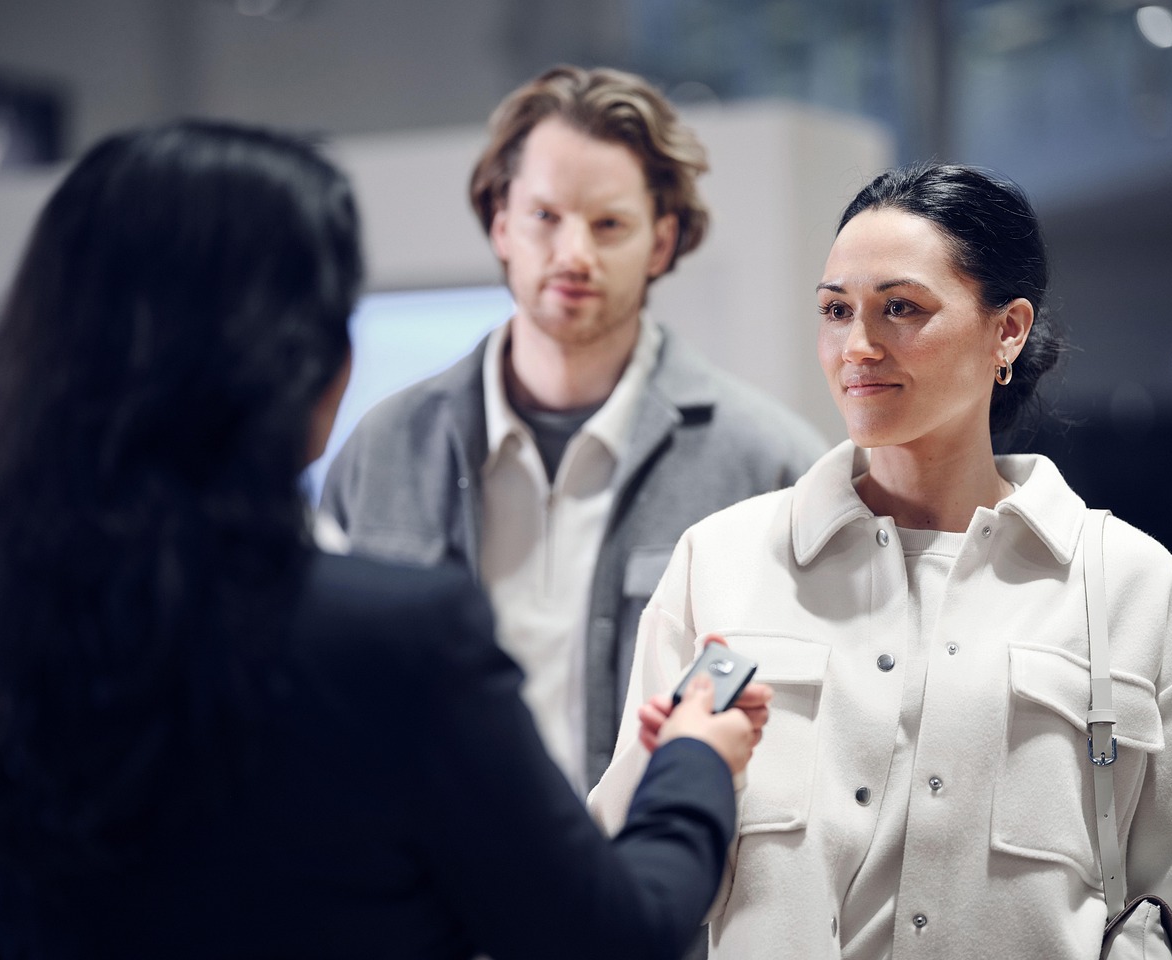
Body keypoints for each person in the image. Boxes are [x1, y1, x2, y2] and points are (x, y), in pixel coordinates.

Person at [0, 119, 769, 960]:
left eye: (609, 223)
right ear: (304, 362)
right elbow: (606, 933)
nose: (574, 254)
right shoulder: (395, 632)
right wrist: (694, 759)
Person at [589, 162, 1172, 958]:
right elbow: (626, 876)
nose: (857, 346)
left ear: (1009, 329)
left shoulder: (1133, 590)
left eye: (901, 308)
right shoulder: (720, 566)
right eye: (834, 310)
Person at [320, 64, 827, 795]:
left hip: (654, 893)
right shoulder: (385, 447)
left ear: (662, 241)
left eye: (609, 224)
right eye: (545, 217)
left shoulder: (768, 463)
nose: (573, 255)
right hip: (421, 895)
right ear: (501, 223)